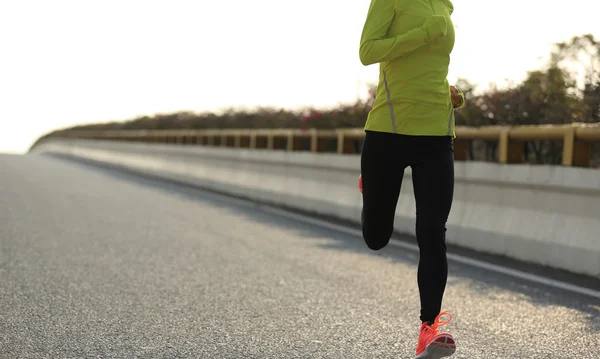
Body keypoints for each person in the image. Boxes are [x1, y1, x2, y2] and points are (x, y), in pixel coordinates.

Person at [357, 0, 465, 358]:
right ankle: (370, 188)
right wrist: (421, 34)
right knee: (376, 237)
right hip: (389, 128)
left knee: (433, 230)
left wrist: (448, 91)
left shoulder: (445, 5)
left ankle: (429, 328)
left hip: (436, 133)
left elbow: (433, 63)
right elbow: (368, 52)